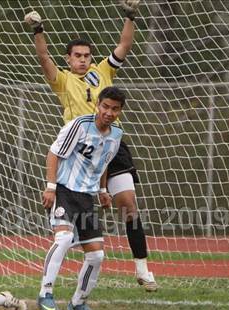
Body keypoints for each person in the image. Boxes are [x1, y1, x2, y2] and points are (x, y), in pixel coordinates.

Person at [24, 0, 157, 292]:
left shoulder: (103, 71)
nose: (83, 60)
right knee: (72, 221)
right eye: (77, 56)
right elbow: (44, 58)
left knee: (130, 206)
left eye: (86, 55)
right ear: (69, 59)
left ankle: (142, 268)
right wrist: (38, 30)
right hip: (79, 152)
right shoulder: (63, 80)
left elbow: (124, 45)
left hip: (110, 146)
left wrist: (130, 16)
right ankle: (62, 258)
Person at [37, 87, 124, 310]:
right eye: (105, 106)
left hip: (86, 198)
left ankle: (77, 303)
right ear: (98, 104)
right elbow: (54, 153)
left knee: (96, 255)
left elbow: (104, 164)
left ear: (120, 111)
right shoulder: (80, 125)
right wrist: (50, 187)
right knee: (64, 239)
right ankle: (45, 293)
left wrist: (103, 190)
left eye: (115, 109)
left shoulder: (116, 135)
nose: (109, 112)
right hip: (64, 191)